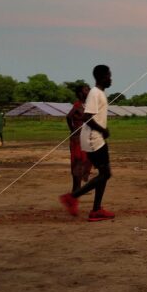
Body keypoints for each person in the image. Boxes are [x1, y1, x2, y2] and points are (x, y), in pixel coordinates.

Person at [60, 65, 115, 221]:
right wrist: (103, 130)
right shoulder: (95, 93)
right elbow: (87, 117)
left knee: (104, 174)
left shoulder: (99, 93)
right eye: (109, 76)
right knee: (105, 174)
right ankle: (72, 197)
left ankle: (96, 210)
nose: (111, 79)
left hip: (96, 138)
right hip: (93, 139)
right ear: (102, 77)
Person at [65, 84, 93, 192]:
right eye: (86, 89)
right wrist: (72, 129)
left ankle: (79, 186)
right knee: (77, 162)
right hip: (77, 138)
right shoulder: (78, 105)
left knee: (86, 160)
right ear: (81, 93)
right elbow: (68, 116)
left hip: (86, 138)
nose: (89, 91)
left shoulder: (87, 105)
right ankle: (75, 188)